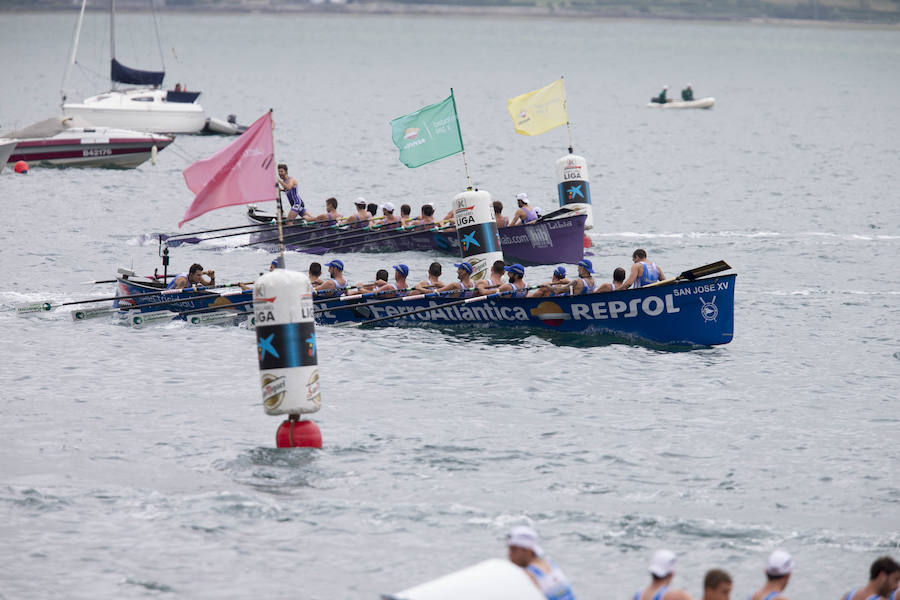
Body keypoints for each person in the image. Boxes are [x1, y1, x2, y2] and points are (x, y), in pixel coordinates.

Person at [506, 525, 576, 600]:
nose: (509, 554)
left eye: (513, 549)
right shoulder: (548, 563)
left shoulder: (529, 574)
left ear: (527, 549)